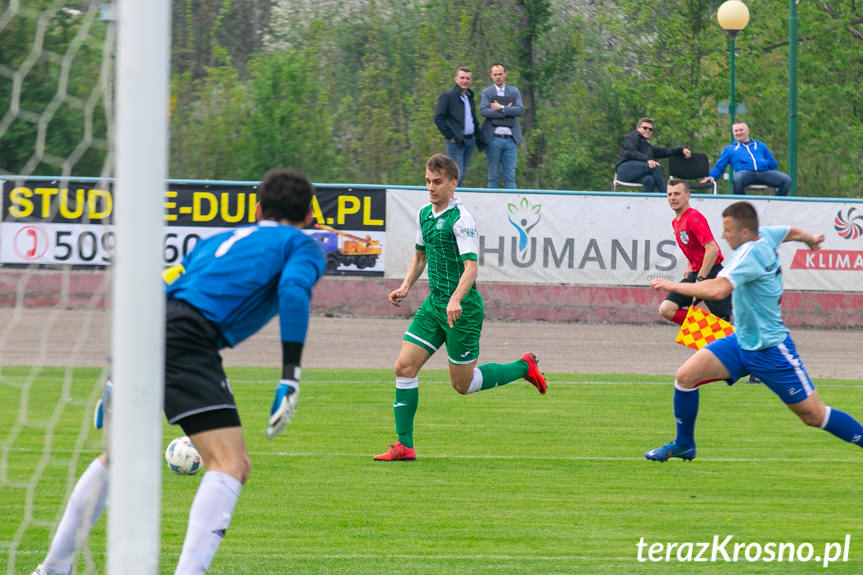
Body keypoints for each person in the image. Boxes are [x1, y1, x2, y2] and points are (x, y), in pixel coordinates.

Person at [32, 168, 326, 575]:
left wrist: (120, 368)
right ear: (310, 216)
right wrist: (289, 374)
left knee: (118, 455)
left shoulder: (219, 241)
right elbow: (293, 292)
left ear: (258, 208)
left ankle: (52, 569)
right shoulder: (302, 244)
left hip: (151, 325)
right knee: (230, 463)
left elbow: (160, 287)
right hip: (188, 335)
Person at [645, 201, 863, 462]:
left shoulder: (749, 254)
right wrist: (809, 239)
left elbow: (718, 290)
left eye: (728, 230)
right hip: (740, 343)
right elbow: (789, 232)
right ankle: (684, 444)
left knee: (814, 416)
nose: (723, 236)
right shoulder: (766, 235)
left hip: (771, 350)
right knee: (685, 377)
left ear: (745, 233)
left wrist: (674, 286)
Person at [373, 154, 547, 462]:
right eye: (427, 181)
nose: (431, 187)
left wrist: (455, 299)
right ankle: (404, 445)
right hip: (434, 305)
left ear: (453, 183)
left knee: (462, 385)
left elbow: (471, 268)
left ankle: (524, 367)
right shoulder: (425, 214)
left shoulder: (461, 218)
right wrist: (405, 286)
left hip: (462, 309)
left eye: (437, 182)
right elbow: (420, 257)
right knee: (404, 367)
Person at [659, 179, 732, 325]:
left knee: (724, 323)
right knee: (666, 309)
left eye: (677, 194)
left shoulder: (694, 217)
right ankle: (712, 336)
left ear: (687, 196)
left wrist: (700, 280)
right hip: (697, 273)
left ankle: (720, 339)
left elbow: (712, 249)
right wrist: (689, 266)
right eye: (669, 194)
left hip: (712, 273)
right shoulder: (676, 221)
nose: (672, 197)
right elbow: (693, 246)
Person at [701, 122, 792, 196]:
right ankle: (742, 205)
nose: (739, 133)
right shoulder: (729, 149)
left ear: (747, 131)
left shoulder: (760, 145)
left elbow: (773, 164)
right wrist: (712, 176)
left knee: (786, 180)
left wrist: (763, 162)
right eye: (736, 131)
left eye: (741, 130)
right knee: (737, 179)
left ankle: (776, 204)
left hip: (763, 173)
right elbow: (719, 166)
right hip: (745, 173)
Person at [615, 117, 691, 194]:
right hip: (625, 170)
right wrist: (647, 159)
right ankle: (665, 195)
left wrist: (680, 150)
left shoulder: (648, 146)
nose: (648, 130)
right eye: (645, 128)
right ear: (638, 128)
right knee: (654, 166)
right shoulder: (632, 136)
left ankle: (643, 203)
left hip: (637, 173)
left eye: (650, 129)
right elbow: (630, 151)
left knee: (650, 180)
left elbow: (664, 151)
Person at [479, 63, 524, 189]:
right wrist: (507, 112)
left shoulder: (514, 91)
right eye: (495, 74)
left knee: (510, 177)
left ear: (505, 74)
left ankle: (512, 206)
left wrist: (500, 108)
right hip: (493, 139)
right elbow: (484, 111)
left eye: (500, 74)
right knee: (493, 176)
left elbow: (520, 110)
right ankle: (491, 206)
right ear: (491, 76)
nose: (498, 77)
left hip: (510, 139)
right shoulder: (487, 93)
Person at [434, 66, 481, 187]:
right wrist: (450, 136)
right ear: (456, 79)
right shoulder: (448, 96)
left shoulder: (470, 97)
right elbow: (438, 118)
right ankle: (449, 203)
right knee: (455, 177)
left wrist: (476, 134)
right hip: (456, 142)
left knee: (462, 175)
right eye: (462, 78)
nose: (465, 81)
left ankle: (455, 202)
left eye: (467, 78)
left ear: (471, 81)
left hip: (470, 140)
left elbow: (472, 117)